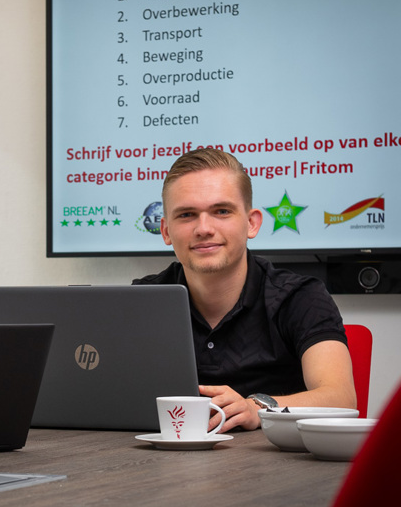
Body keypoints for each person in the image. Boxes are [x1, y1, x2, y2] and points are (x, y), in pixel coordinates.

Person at [133, 147, 356, 433]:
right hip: (164, 456)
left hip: (273, 459)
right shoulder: (143, 301)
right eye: (187, 215)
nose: (204, 228)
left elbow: (341, 399)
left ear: (251, 223)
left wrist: (258, 408)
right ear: (165, 231)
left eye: (221, 211)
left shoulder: (300, 297)